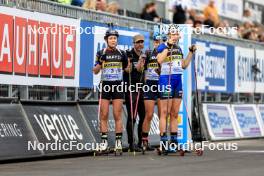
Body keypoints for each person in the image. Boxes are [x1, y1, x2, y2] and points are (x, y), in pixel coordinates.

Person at [156, 24, 196, 153]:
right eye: (173, 34)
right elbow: (159, 60)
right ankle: (163, 142)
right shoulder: (162, 46)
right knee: (164, 112)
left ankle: (174, 142)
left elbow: (183, 65)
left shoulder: (178, 48)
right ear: (169, 35)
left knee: (174, 113)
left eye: (176, 34)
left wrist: (190, 53)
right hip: (166, 80)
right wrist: (168, 45)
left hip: (177, 81)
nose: (175, 36)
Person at [93, 29, 130, 152]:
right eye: (111, 38)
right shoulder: (100, 52)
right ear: (106, 40)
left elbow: (128, 70)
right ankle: (104, 143)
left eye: (115, 38)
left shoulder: (122, 53)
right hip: (105, 86)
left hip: (118, 86)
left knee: (117, 114)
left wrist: (129, 64)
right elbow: (95, 71)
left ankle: (118, 143)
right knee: (103, 114)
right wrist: (100, 62)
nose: (113, 40)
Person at [124, 34, 146, 152]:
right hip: (131, 88)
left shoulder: (144, 56)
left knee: (143, 116)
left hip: (141, 88)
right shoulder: (129, 54)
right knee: (132, 117)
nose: (140, 44)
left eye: (142, 42)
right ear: (134, 43)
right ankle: (131, 143)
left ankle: (140, 142)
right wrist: (133, 63)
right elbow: (129, 70)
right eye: (138, 42)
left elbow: (144, 72)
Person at [141, 35, 161, 152]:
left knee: (164, 114)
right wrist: (141, 61)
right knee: (149, 115)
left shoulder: (166, 53)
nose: (157, 43)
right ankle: (144, 140)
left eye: (160, 41)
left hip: (162, 85)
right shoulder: (148, 53)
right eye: (156, 41)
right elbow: (140, 69)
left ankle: (163, 141)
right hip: (150, 85)